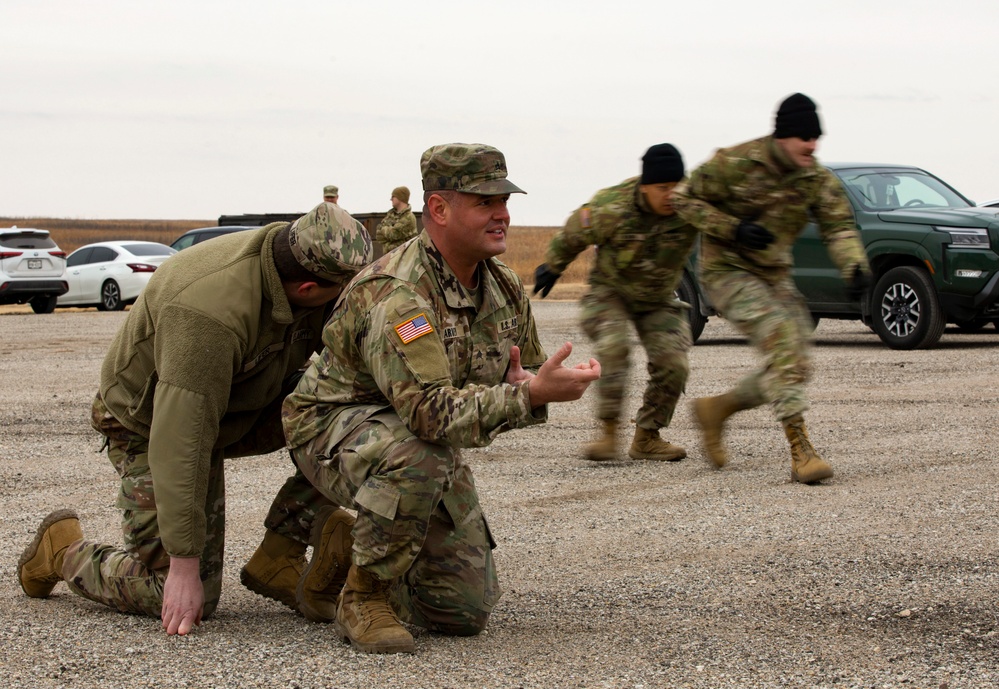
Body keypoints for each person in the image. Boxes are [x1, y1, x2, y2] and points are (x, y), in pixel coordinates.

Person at [281, 143, 601, 654]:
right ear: (439, 209)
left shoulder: (501, 288)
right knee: (420, 452)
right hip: (333, 425)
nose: (503, 214)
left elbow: (524, 372)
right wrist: (526, 399)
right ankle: (364, 596)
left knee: (461, 611)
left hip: (407, 435)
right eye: (485, 202)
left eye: (504, 201)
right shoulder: (398, 292)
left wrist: (533, 385)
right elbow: (430, 414)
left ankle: (346, 550)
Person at [17, 202, 373, 635]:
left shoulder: (298, 265)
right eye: (341, 292)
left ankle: (279, 552)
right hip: (146, 425)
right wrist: (184, 562)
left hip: (236, 405)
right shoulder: (207, 316)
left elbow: (355, 361)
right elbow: (180, 438)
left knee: (350, 410)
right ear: (308, 289)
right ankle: (61, 551)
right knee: (182, 592)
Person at [671, 93, 872, 484]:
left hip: (773, 275)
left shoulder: (815, 177)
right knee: (781, 340)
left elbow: (838, 225)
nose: (812, 145)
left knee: (795, 364)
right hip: (727, 271)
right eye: (804, 137)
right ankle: (801, 450)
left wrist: (854, 264)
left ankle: (718, 409)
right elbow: (683, 199)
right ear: (782, 136)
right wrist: (733, 228)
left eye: (816, 137)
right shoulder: (735, 163)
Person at [532, 144, 698, 462]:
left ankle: (648, 437)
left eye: (677, 186)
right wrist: (554, 265)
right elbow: (573, 232)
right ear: (645, 186)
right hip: (610, 293)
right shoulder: (613, 205)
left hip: (658, 298)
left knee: (674, 364)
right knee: (615, 350)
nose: (671, 195)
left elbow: (727, 223)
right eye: (663, 188)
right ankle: (609, 433)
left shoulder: (693, 204)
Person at [374, 186, 418, 252]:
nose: (391, 199)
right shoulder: (390, 215)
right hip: (389, 257)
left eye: (393, 197)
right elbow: (378, 235)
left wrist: (384, 230)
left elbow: (394, 234)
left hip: (404, 257)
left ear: (400, 197)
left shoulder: (409, 217)